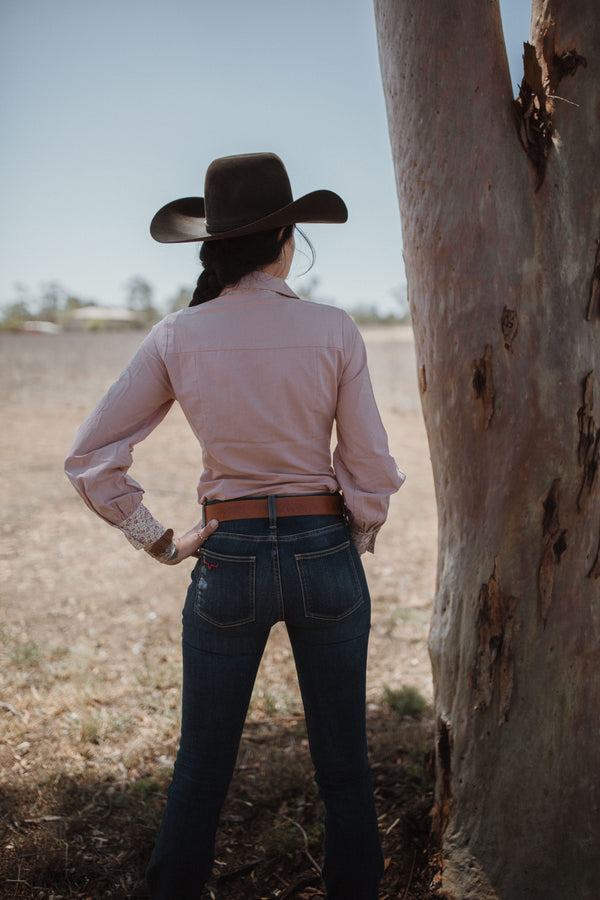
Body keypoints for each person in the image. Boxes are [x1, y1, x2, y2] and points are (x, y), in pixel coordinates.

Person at [64, 152, 404, 899]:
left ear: (212, 247)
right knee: (345, 766)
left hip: (227, 558)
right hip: (325, 552)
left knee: (203, 765)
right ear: (287, 239)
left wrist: (157, 539)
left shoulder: (175, 335)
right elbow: (371, 465)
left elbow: (91, 457)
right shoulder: (335, 328)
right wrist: (352, 538)